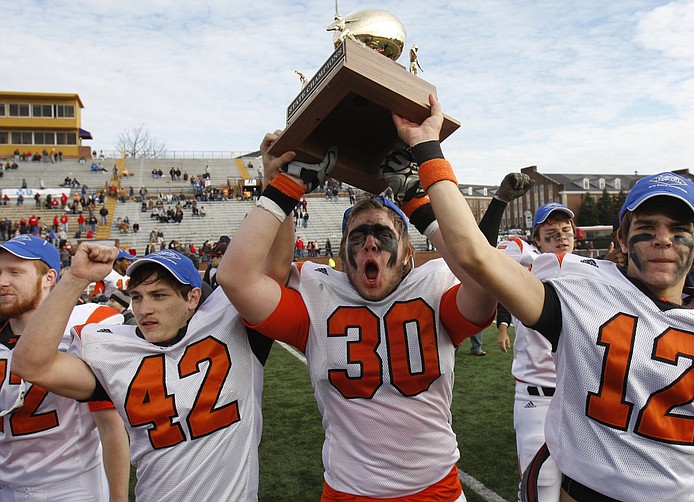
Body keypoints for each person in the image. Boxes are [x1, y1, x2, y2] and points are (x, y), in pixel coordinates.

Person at [394, 94, 694, 501]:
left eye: (678, 227)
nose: (663, 239)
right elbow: (475, 254)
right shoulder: (582, 293)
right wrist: (427, 148)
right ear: (622, 237)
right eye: (647, 226)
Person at [217, 133, 496, 500]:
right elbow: (236, 277)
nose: (369, 242)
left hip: (437, 490)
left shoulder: (433, 287)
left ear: (409, 254)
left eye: (382, 232)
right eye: (359, 234)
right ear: (345, 253)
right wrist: (285, 186)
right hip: (349, 491)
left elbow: (486, 282)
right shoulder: (317, 297)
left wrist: (416, 203)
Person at [12, 247, 275, 500]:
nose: (143, 309)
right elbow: (32, 365)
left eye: (159, 295)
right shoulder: (112, 350)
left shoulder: (229, 326)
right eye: (137, 296)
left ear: (192, 298)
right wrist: (76, 278)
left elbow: (275, 269)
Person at [0, 235, 130, 501]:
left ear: (49, 278)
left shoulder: (83, 326)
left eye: (15, 272)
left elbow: (110, 425)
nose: (2, 282)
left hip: (73, 486)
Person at [496, 201, 577, 502]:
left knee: (581, 487)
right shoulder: (526, 262)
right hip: (536, 395)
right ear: (536, 239)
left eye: (566, 231)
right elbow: (479, 252)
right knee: (541, 487)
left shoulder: (593, 272)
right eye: (551, 232)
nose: (561, 237)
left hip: (580, 396)